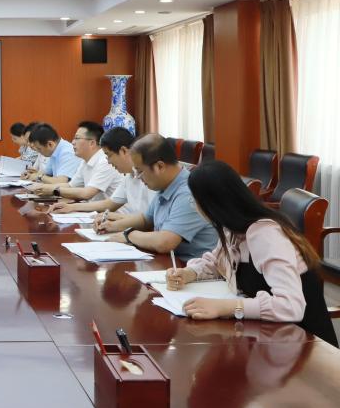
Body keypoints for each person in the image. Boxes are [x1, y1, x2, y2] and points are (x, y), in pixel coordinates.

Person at [165, 161, 337, 346]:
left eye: (194, 201)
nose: (195, 207)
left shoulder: (264, 234)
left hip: (302, 342)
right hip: (266, 335)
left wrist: (225, 307)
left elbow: (290, 306)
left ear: (211, 204)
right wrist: (189, 273)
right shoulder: (233, 226)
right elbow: (218, 260)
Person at [98, 134, 219, 259]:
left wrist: (129, 235)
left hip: (190, 266)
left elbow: (165, 242)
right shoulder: (167, 185)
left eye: (140, 171)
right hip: (170, 263)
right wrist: (111, 226)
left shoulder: (188, 193)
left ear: (159, 166)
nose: (138, 177)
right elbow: (146, 220)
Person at [51, 127, 155, 217]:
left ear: (123, 151)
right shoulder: (129, 176)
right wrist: (71, 207)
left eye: (109, 155)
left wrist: (118, 220)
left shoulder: (149, 176)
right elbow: (110, 203)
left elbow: (148, 220)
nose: (108, 161)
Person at [29, 121, 121, 201]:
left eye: (77, 138)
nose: (73, 142)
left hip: (112, 214)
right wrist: (41, 187)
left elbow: (86, 194)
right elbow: (71, 186)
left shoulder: (105, 161)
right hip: (95, 211)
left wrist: (54, 190)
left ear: (92, 143)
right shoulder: (85, 161)